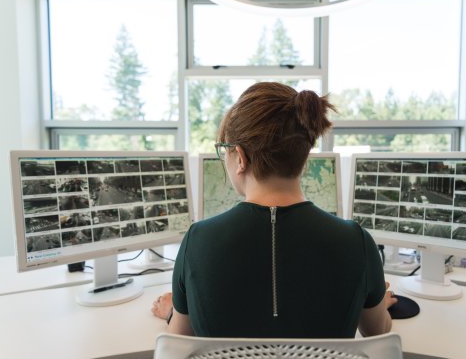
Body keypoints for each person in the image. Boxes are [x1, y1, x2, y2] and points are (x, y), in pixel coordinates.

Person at [152, 82, 397, 338]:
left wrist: (171, 312)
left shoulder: (198, 240)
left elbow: (178, 342)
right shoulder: (356, 241)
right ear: (302, 156)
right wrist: (379, 305)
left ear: (240, 157)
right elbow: (378, 332)